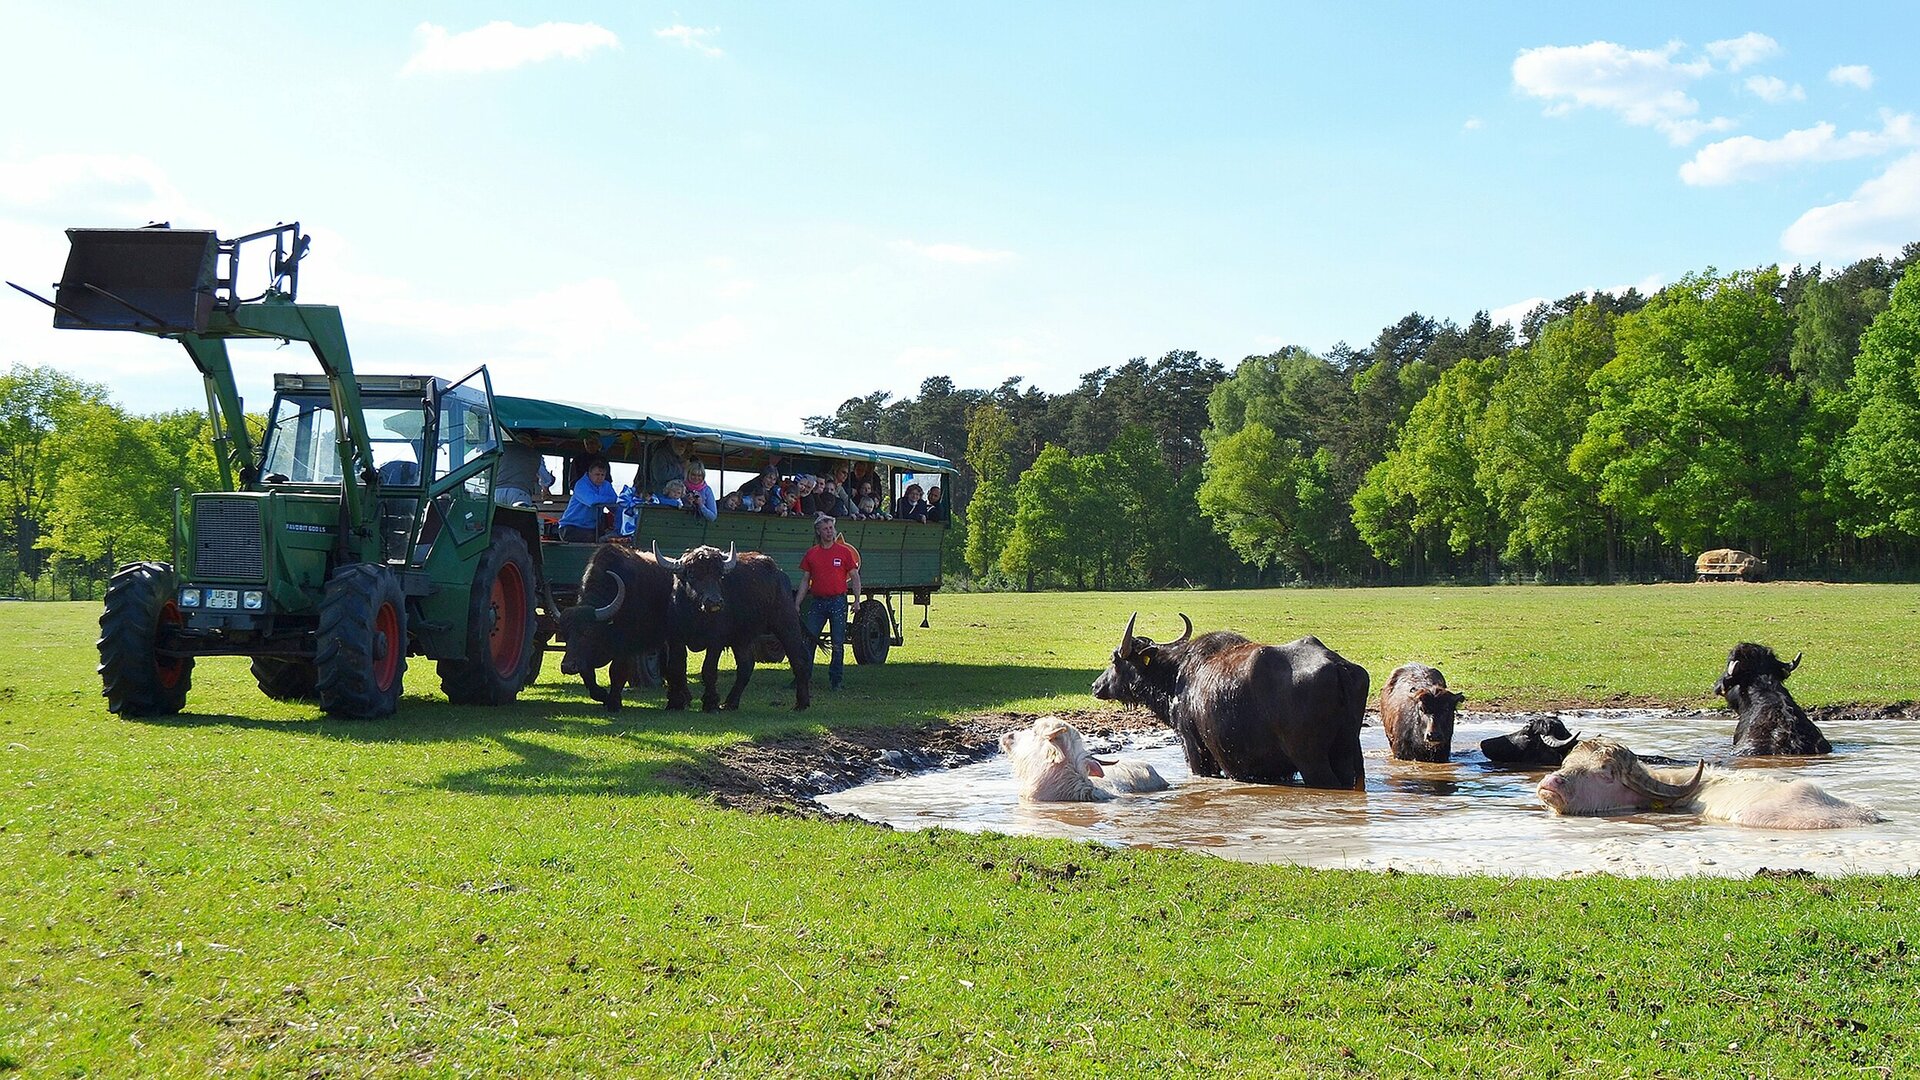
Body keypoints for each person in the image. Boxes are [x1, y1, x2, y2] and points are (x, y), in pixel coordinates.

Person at [797, 513, 860, 691]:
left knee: (837, 642)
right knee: (809, 640)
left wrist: (856, 600)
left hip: (838, 601)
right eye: (825, 529)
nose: (829, 532)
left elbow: (855, 577)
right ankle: (803, 678)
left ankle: (836, 680)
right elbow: (805, 580)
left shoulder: (844, 552)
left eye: (831, 528)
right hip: (817, 602)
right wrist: (797, 602)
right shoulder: (812, 554)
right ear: (818, 531)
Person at [558, 458, 617, 542]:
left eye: (602, 475)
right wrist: (609, 500)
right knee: (599, 540)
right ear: (589, 474)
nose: (600, 478)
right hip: (570, 528)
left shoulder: (606, 485)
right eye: (597, 474)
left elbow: (616, 505)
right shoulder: (580, 485)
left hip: (592, 529)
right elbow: (592, 501)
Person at [495, 439, 553, 506]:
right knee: (520, 516)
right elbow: (546, 478)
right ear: (531, 444)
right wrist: (545, 487)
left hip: (497, 492)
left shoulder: (503, 450)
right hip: (519, 493)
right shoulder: (534, 455)